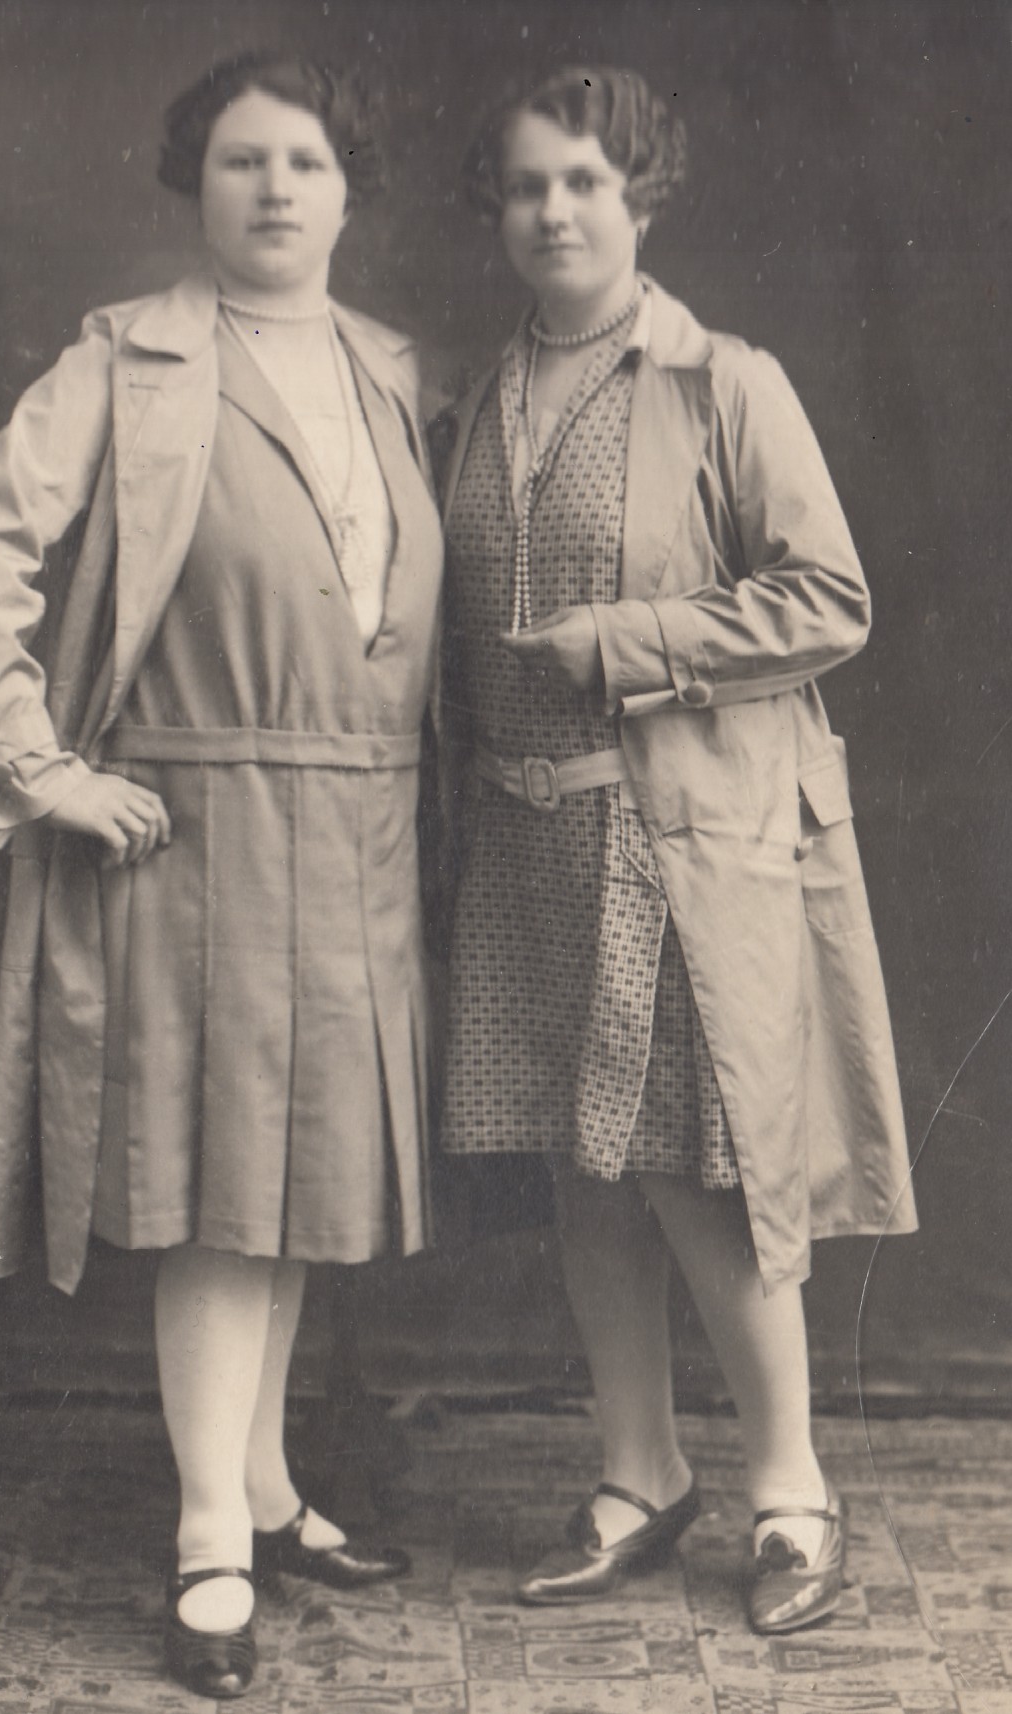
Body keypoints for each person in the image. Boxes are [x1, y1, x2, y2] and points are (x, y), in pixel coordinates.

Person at [0, 51, 443, 1700]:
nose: (273, 189)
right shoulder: (128, 359)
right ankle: (210, 1538)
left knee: (298, 1179)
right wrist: (41, 766)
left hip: (361, 827)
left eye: (303, 162)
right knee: (219, 1184)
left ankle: (267, 1486)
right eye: (237, 162)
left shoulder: (388, 368)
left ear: (348, 191)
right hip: (201, 826)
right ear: (191, 186)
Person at [435, 63, 916, 1634]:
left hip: (668, 841)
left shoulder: (723, 382)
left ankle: (790, 1493)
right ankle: (637, 1473)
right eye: (525, 185)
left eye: (584, 180)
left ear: (640, 196)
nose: (552, 211)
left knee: (699, 1176)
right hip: (519, 841)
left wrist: (628, 640)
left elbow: (828, 598)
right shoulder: (475, 398)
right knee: (583, 1171)